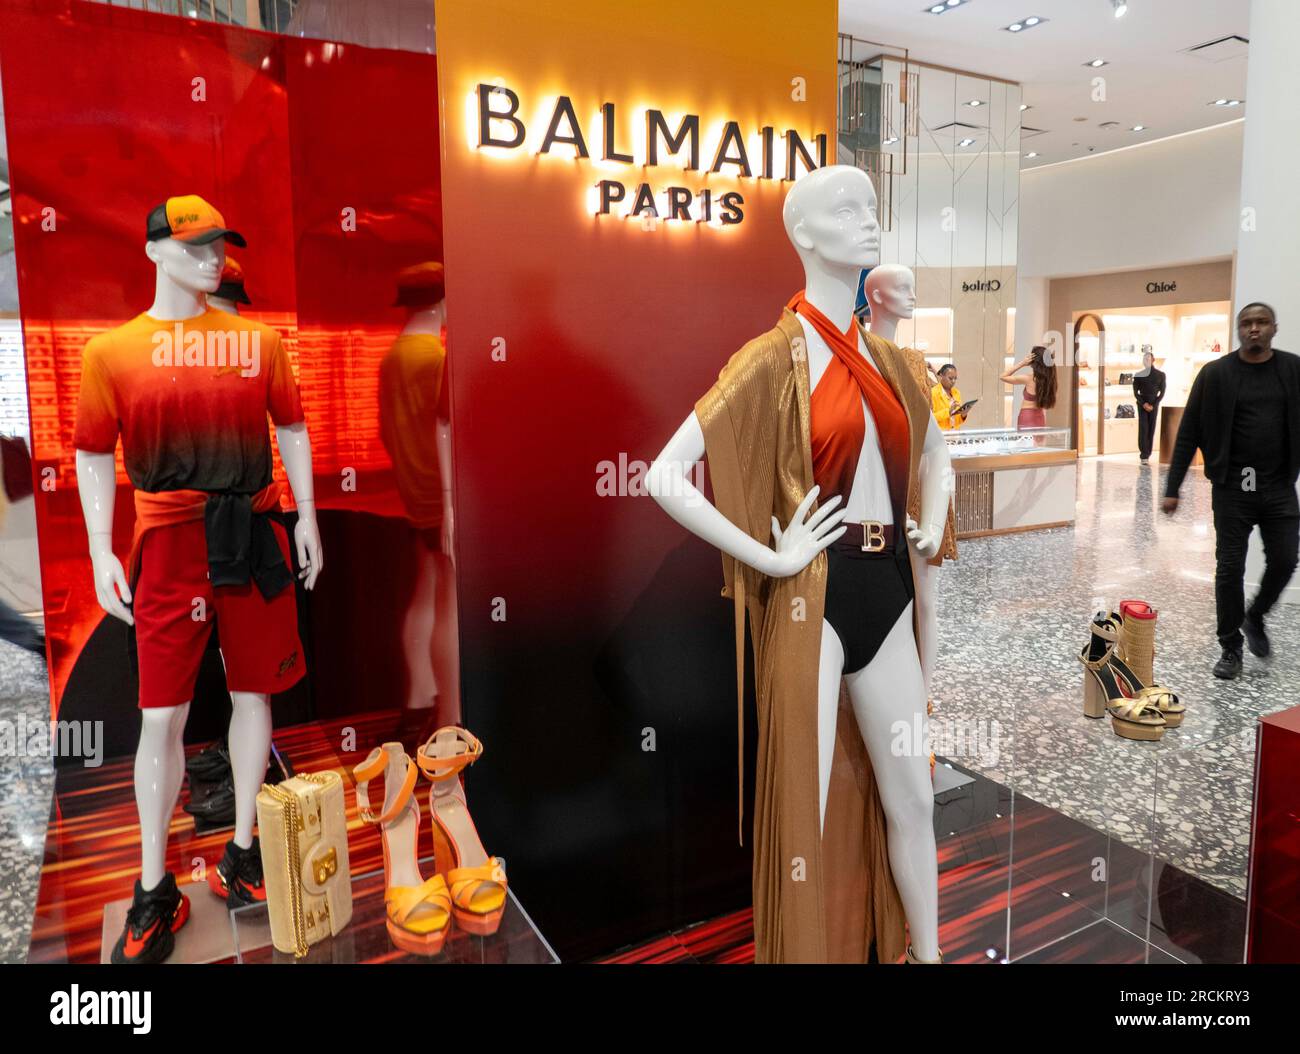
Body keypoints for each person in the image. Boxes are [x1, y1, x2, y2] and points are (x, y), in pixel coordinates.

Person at [1162, 302, 1300, 679]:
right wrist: (1172, 487)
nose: (1253, 329)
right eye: (1246, 323)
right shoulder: (1215, 374)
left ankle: (1254, 616)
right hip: (1233, 487)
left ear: (1274, 327)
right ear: (1238, 329)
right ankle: (1230, 647)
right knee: (1229, 569)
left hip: (1278, 486)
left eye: (1261, 322)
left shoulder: (1292, 368)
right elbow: (1189, 430)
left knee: (1287, 560)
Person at [1001, 345, 1057, 429]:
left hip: (1027, 416)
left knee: (1025, 441)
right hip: (1040, 416)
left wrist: (1022, 363)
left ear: (1033, 362)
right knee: (1039, 442)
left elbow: (1003, 376)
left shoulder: (1028, 379)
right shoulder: (1050, 380)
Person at [1132, 350, 1166, 463]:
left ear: (1153, 360)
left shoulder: (1161, 375)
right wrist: (1144, 404)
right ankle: (1144, 455)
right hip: (1142, 404)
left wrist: (1154, 404)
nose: (1146, 361)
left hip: (1154, 404)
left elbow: (1162, 392)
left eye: (1148, 359)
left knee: (1151, 428)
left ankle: (1148, 453)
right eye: (1144, 359)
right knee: (1143, 429)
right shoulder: (1138, 375)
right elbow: (1136, 393)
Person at [930, 364, 966, 430]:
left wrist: (963, 415)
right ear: (941, 376)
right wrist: (948, 412)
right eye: (950, 378)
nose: (953, 381)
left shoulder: (957, 393)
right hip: (940, 434)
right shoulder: (933, 393)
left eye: (955, 378)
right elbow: (930, 419)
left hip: (955, 434)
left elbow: (957, 420)